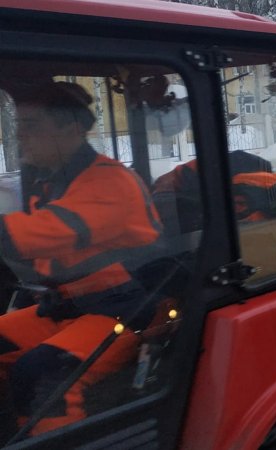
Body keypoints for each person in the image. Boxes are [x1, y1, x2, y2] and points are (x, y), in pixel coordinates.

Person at [0, 81, 162, 436]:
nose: (20, 135)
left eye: (31, 125)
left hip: (126, 310)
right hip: (69, 306)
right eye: (19, 124)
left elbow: (33, 234)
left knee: (41, 372)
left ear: (71, 129)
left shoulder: (110, 183)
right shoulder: (53, 181)